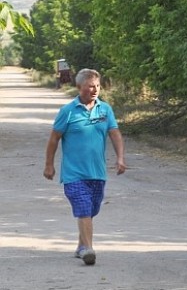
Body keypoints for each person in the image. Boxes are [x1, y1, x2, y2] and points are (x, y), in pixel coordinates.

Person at [43, 68, 127, 265]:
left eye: (97, 86)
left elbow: (114, 133)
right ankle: (88, 249)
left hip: (97, 173)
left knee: (91, 210)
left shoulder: (105, 109)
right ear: (79, 87)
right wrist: (49, 165)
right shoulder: (68, 111)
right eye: (90, 86)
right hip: (74, 174)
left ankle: (81, 245)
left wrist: (120, 158)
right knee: (83, 208)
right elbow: (54, 138)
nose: (95, 89)